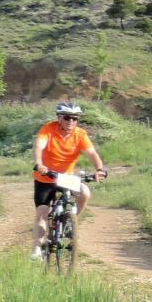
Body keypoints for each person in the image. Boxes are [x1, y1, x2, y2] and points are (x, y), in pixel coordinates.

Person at [31, 102, 107, 260]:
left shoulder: (80, 134)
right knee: (42, 213)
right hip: (45, 178)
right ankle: (37, 248)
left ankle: (70, 222)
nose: (71, 121)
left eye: (75, 118)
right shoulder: (48, 129)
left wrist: (99, 169)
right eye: (67, 118)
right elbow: (39, 147)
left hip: (65, 177)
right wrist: (40, 164)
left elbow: (92, 153)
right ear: (59, 118)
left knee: (84, 192)